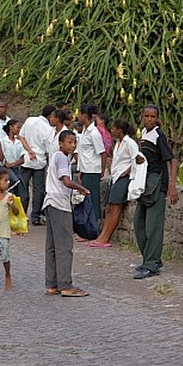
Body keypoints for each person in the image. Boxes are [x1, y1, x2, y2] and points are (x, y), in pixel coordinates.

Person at [133, 104, 179, 279]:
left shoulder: (159, 136)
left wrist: (172, 186)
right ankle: (151, 259)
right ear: (142, 117)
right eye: (146, 116)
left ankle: (151, 265)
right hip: (144, 184)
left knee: (153, 227)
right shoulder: (144, 134)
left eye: (152, 117)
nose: (149, 119)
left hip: (157, 185)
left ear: (157, 118)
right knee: (139, 224)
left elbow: (172, 161)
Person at [43, 130, 90, 297]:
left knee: (52, 246)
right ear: (61, 143)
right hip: (60, 205)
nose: (72, 145)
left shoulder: (56, 157)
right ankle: (65, 285)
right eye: (69, 142)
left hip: (50, 202)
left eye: (74, 142)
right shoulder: (62, 158)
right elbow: (66, 181)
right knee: (64, 246)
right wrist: (82, 188)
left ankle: (52, 283)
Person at [87, 119, 139, 248]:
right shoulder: (119, 143)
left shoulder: (130, 143)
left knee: (116, 207)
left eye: (113, 128)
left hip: (123, 178)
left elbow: (136, 160)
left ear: (119, 130)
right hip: (115, 177)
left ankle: (106, 237)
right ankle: (102, 236)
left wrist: (126, 171)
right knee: (109, 208)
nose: (111, 131)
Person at [18, 104, 55, 225]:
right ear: (50, 116)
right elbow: (49, 148)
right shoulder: (48, 129)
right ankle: (35, 215)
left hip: (27, 159)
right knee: (38, 189)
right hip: (39, 161)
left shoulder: (29, 120)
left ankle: (21, 213)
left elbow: (21, 136)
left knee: (23, 187)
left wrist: (29, 150)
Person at [77, 104, 106, 227]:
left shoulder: (94, 133)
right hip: (86, 169)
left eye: (79, 114)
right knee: (86, 200)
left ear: (84, 115)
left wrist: (102, 170)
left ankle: (93, 228)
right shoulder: (84, 130)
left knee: (92, 200)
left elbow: (103, 152)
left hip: (92, 170)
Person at [0, 119, 27, 210]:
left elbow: (22, 159)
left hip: (15, 169)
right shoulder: (3, 141)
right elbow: (1, 159)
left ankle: (20, 212)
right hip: (6, 170)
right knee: (11, 187)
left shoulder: (18, 143)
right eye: (17, 127)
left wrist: (12, 164)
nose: (19, 130)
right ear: (11, 127)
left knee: (22, 194)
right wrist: (0, 145)